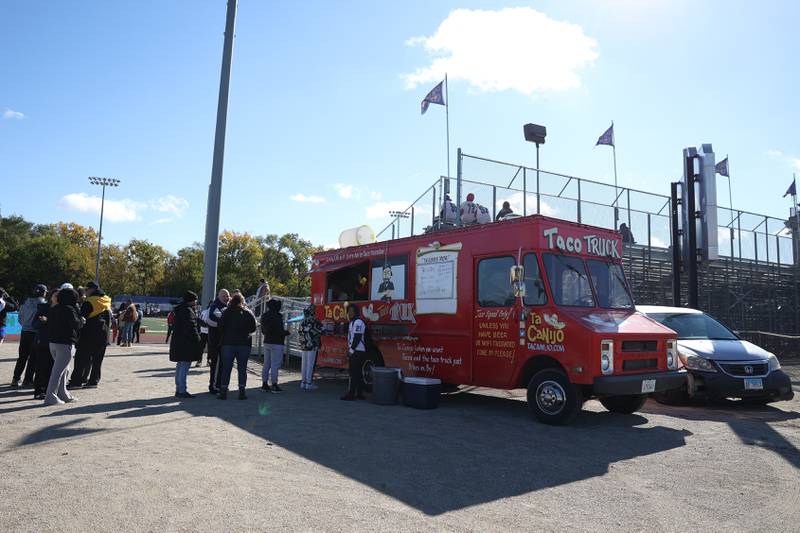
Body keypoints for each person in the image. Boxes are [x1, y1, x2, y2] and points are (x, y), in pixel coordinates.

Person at [69, 281, 111, 389]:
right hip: (104, 334)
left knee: (81, 358)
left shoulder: (90, 302)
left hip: (89, 334)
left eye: (87, 289)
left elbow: (81, 318)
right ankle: (94, 381)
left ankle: (76, 381)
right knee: (97, 360)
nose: (85, 292)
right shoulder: (106, 300)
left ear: (92, 290)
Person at [44, 286, 82, 406]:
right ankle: (50, 396)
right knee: (58, 372)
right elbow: (76, 324)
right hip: (65, 343)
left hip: (53, 343)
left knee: (63, 371)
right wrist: (82, 320)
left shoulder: (54, 308)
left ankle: (63, 393)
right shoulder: (69, 309)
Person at [217, 293, 256, 400]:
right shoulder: (248, 313)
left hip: (228, 343)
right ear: (243, 301)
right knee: (242, 368)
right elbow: (253, 328)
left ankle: (223, 391)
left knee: (226, 368)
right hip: (244, 344)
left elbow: (220, 327)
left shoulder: (226, 312)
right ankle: (242, 391)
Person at [13, 284, 47, 387]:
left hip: (24, 332)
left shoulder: (25, 303)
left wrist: (25, 325)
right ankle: (27, 380)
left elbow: (20, 319)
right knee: (33, 358)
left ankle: (15, 378)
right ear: (43, 292)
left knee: (22, 357)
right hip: (36, 333)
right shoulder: (43, 304)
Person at [169, 291, 202, 398]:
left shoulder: (180, 309)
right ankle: (182, 390)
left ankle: (179, 389)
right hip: (186, 343)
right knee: (184, 367)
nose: (196, 302)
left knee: (180, 366)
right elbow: (191, 327)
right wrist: (198, 339)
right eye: (195, 300)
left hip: (179, 342)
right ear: (191, 300)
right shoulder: (188, 311)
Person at [32, 289, 58, 400]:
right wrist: (43, 321)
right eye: (55, 295)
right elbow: (34, 324)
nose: (57, 297)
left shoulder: (63, 309)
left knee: (53, 368)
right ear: (51, 296)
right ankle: (38, 391)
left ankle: (49, 390)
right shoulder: (43, 308)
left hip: (57, 343)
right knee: (41, 367)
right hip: (43, 342)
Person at [260, 299, 289, 393]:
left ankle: (264, 384)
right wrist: (286, 333)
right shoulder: (278, 316)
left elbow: (263, 330)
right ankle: (274, 384)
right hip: (277, 343)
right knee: (275, 365)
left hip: (267, 341)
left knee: (266, 364)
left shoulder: (264, 315)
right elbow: (279, 330)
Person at [205, 289, 230, 394]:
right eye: (224, 296)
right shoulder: (215, 306)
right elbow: (210, 320)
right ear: (219, 296)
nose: (227, 297)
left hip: (223, 341)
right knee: (216, 364)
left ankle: (219, 384)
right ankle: (214, 386)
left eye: (228, 296)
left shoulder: (226, 306)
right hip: (216, 342)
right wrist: (224, 324)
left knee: (222, 365)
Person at [341, 304, 367, 401]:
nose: (350, 313)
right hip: (357, 350)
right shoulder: (353, 322)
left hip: (357, 351)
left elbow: (357, 337)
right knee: (358, 373)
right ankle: (359, 394)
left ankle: (351, 394)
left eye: (352, 311)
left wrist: (351, 351)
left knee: (353, 373)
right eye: (349, 311)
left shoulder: (358, 322)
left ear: (356, 312)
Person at [298, 304, 323, 390]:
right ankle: (309, 383)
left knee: (304, 364)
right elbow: (321, 330)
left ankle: (303, 382)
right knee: (310, 364)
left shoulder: (302, 320)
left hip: (303, 344)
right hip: (312, 345)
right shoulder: (314, 320)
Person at [197, 300, 211, 367]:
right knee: (201, 347)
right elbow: (200, 321)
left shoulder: (214, 312)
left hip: (209, 332)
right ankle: (200, 361)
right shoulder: (204, 312)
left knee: (209, 347)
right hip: (204, 332)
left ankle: (208, 360)